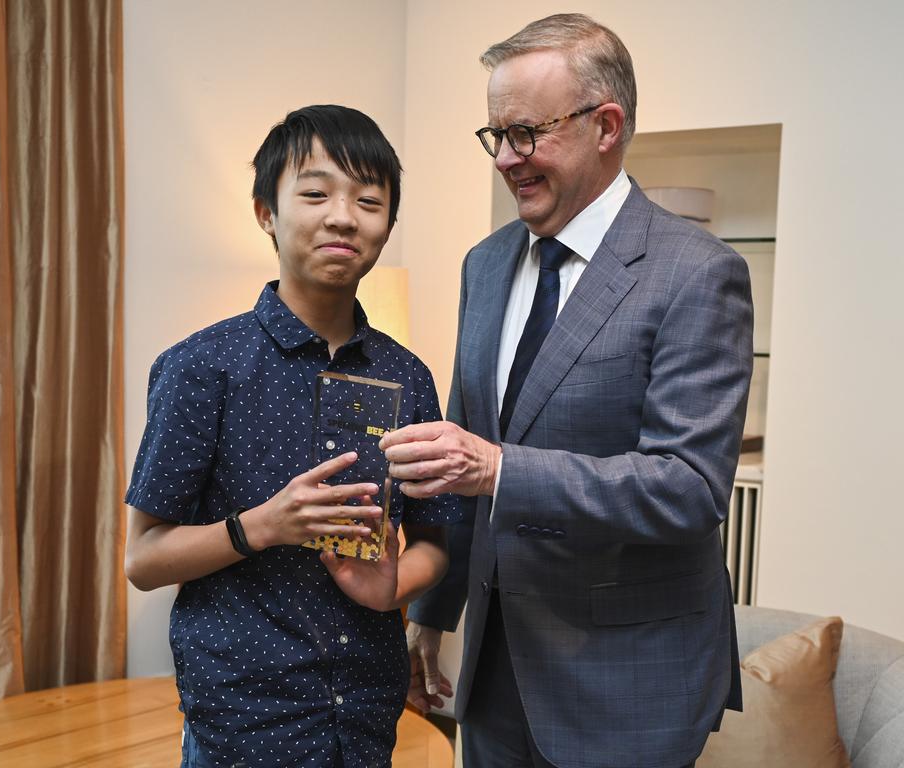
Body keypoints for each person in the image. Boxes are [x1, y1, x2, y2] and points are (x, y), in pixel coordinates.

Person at [381, 14, 753, 768]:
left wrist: (500, 469)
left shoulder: (695, 272)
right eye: (495, 137)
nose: (505, 159)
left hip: (626, 682)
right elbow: (464, 446)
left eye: (525, 134)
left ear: (606, 124)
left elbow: (687, 488)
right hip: (492, 672)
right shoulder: (484, 266)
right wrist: (432, 614)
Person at [124, 104, 458, 768]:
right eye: (315, 193)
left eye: (368, 199)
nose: (342, 215)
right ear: (266, 212)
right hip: (242, 717)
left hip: (364, 712)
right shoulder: (201, 367)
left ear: (387, 225)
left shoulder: (408, 375)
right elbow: (143, 560)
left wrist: (392, 587)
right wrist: (261, 527)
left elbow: (435, 540)